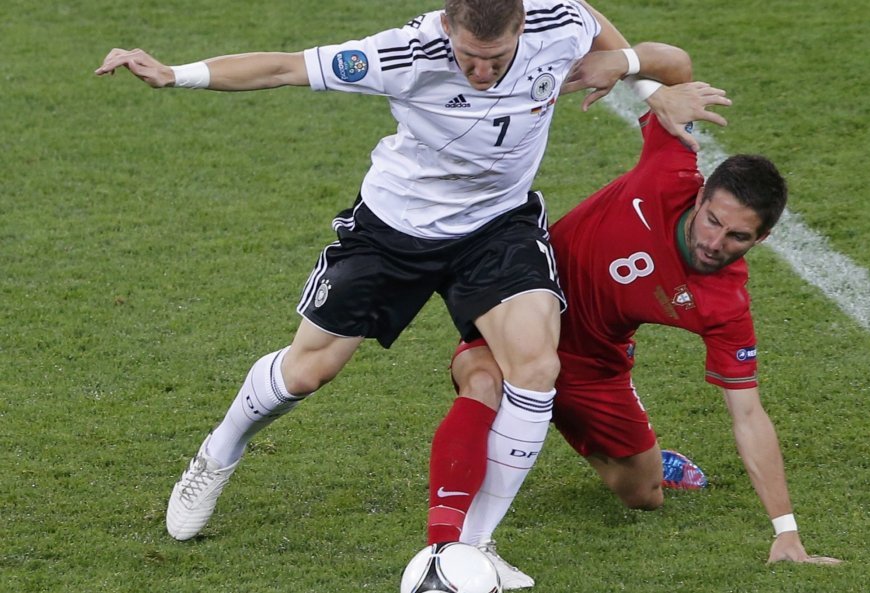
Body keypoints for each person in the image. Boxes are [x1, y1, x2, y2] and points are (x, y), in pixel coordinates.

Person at [94, 0, 731, 563]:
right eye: (469, 57)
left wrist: (640, 81)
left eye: (497, 58)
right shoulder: (402, 53)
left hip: (496, 228)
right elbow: (282, 67)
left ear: (522, 26)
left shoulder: (557, 21)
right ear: (446, 26)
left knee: (535, 368)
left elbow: (616, 40)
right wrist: (177, 74)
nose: (483, 72)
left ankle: (472, 549)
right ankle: (219, 452)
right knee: (308, 371)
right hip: (394, 229)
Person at [445, 111, 843, 587]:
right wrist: (645, 67)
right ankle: (448, 540)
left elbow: (749, 415)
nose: (714, 243)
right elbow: (669, 75)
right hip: (519, 313)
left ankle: (621, 448)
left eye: (738, 236)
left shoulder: (725, 305)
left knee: (642, 494)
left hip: (593, 366)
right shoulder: (668, 170)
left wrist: (786, 530)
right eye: (712, 221)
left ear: (763, 238)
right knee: (482, 381)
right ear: (699, 197)